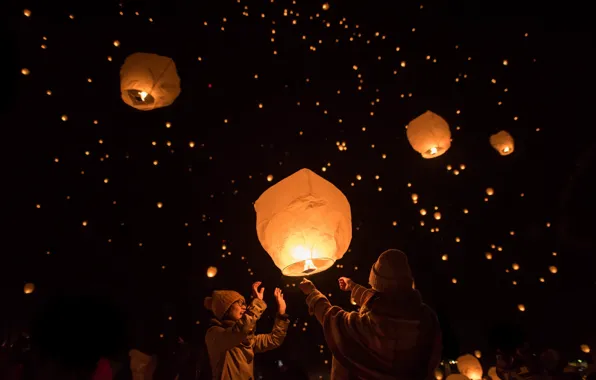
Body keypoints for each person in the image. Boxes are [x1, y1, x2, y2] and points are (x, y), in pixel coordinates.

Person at [298, 249, 442, 380]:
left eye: (375, 288)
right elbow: (381, 301)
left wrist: (312, 294)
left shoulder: (373, 327)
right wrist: (353, 287)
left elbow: (334, 320)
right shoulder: (427, 318)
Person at [204, 281, 290, 380]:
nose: (244, 306)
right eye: (239, 303)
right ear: (226, 309)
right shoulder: (214, 334)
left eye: (244, 303)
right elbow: (239, 331)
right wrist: (257, 303)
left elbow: (274, 339)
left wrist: (281, 312)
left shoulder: (247, 339)